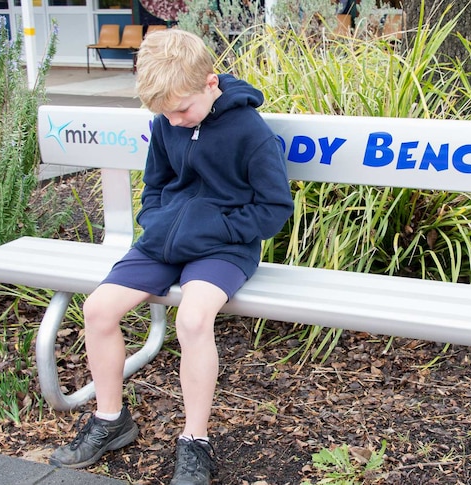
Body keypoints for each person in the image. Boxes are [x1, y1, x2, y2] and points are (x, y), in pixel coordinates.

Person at [48, 28, 294, 485]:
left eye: (182, 109)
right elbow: (156, 185)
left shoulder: (250, 131)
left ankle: (195, 440)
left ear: (210, 82)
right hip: (164, 242)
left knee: (194, 319)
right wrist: (158, 222)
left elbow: (273, 208)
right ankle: (110, 420)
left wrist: (215, 230)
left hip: (224, 247)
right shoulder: (167, 122)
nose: (175, 120)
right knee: (98, 309)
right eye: (166, 113)